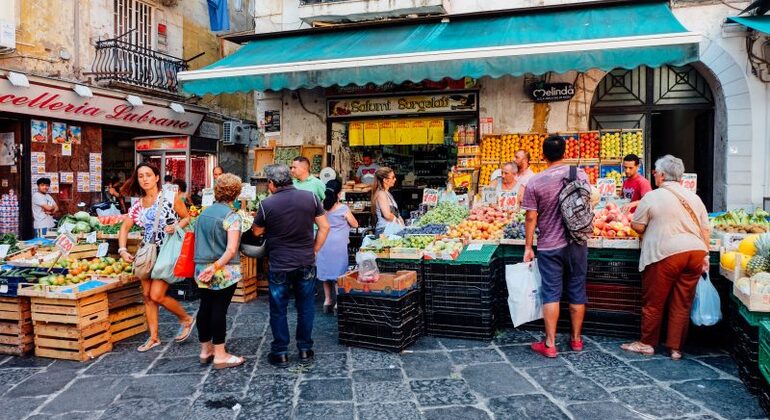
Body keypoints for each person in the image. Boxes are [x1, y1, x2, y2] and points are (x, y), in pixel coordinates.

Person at [621, 155, 710, 360]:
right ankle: (676, 348)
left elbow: (638, 226)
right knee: (682, 302)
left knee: (654, 301)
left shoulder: (652, 197)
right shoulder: (694, 197)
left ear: (661, 175)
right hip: (695, 253)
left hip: (665, 253)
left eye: (656, 172)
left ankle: (646, 343)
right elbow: (705, 230)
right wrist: (705, 254)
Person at [252, 164, 330, 368]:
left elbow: (257, 232)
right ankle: (304, 349)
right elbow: (324, 226)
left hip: (279, 264)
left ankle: (280, 352)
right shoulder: (310, 197)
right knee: (305, 307)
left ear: (271, 183)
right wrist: (315, 249)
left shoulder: (266, 204)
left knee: (278, 309)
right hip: (305, 261)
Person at [522, 135, 589, 358]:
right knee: (577, 290)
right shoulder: (578, 173)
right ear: (565, 153)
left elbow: (531, 217)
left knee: (551, 293)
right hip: (577, 242)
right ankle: (576, 340)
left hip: (550, 245)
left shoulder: (535, 181)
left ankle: (550, 344)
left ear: (542, 155)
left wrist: (528, 247)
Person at [118, 163, 195, 352]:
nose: (144, 179)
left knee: (156, 294)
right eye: (141, 176)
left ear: (157, 178)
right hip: (147, 252)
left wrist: (176, 226)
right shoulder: (137, 205)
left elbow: (187, 218)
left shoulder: (170, 197)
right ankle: (153, 338)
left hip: (166, 251)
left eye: (148, 175)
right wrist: (122, 249)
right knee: (147, 297)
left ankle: (186, 318)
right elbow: (125, 227)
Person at [194, 173, 245, 369]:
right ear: (236, 193)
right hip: (223, 269)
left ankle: (205, 350)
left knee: (204, 307)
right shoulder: (231, 216)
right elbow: (231, 249)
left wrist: (206, 268)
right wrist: (215, 267)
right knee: (218, 310)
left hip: (200, 266)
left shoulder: (202, 214)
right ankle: (221, 354)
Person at [316, 180, 359, 314]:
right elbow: (355, 224)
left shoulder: (321, 207)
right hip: (338, 246)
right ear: (339, 194)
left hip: (323, 242)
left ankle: (327, 300)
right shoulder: (343, 209)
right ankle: (337, 305)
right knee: (338, 274)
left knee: (325, 274)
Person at [372, 167, 402, 236]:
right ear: (385, 180)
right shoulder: (381, 194)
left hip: (389, 229)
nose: (395, 179)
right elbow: (387, 215)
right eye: (393, 177)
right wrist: (399, 222)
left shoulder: (386, 193)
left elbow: (395, 213)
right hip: (385, 231)